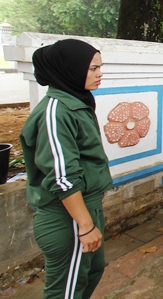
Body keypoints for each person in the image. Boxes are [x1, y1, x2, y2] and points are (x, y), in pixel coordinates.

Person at [20, 39, 112, 298]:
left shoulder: (76, 103)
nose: (99, 74)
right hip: (67, 217)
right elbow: (62, 176)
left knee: (90, 274)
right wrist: (85, 225)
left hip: (85, 209)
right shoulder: (56, 111)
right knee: (66, 291)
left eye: (100, 68)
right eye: (93, 68)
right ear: (70, 68)